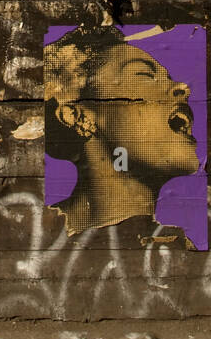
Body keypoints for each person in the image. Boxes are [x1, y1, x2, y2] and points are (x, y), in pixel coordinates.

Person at [44, 25, 199, 237]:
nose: (183, 87)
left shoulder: (171, 251)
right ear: (78, 116)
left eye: (169, 78)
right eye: (145, 74)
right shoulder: (32, 240)